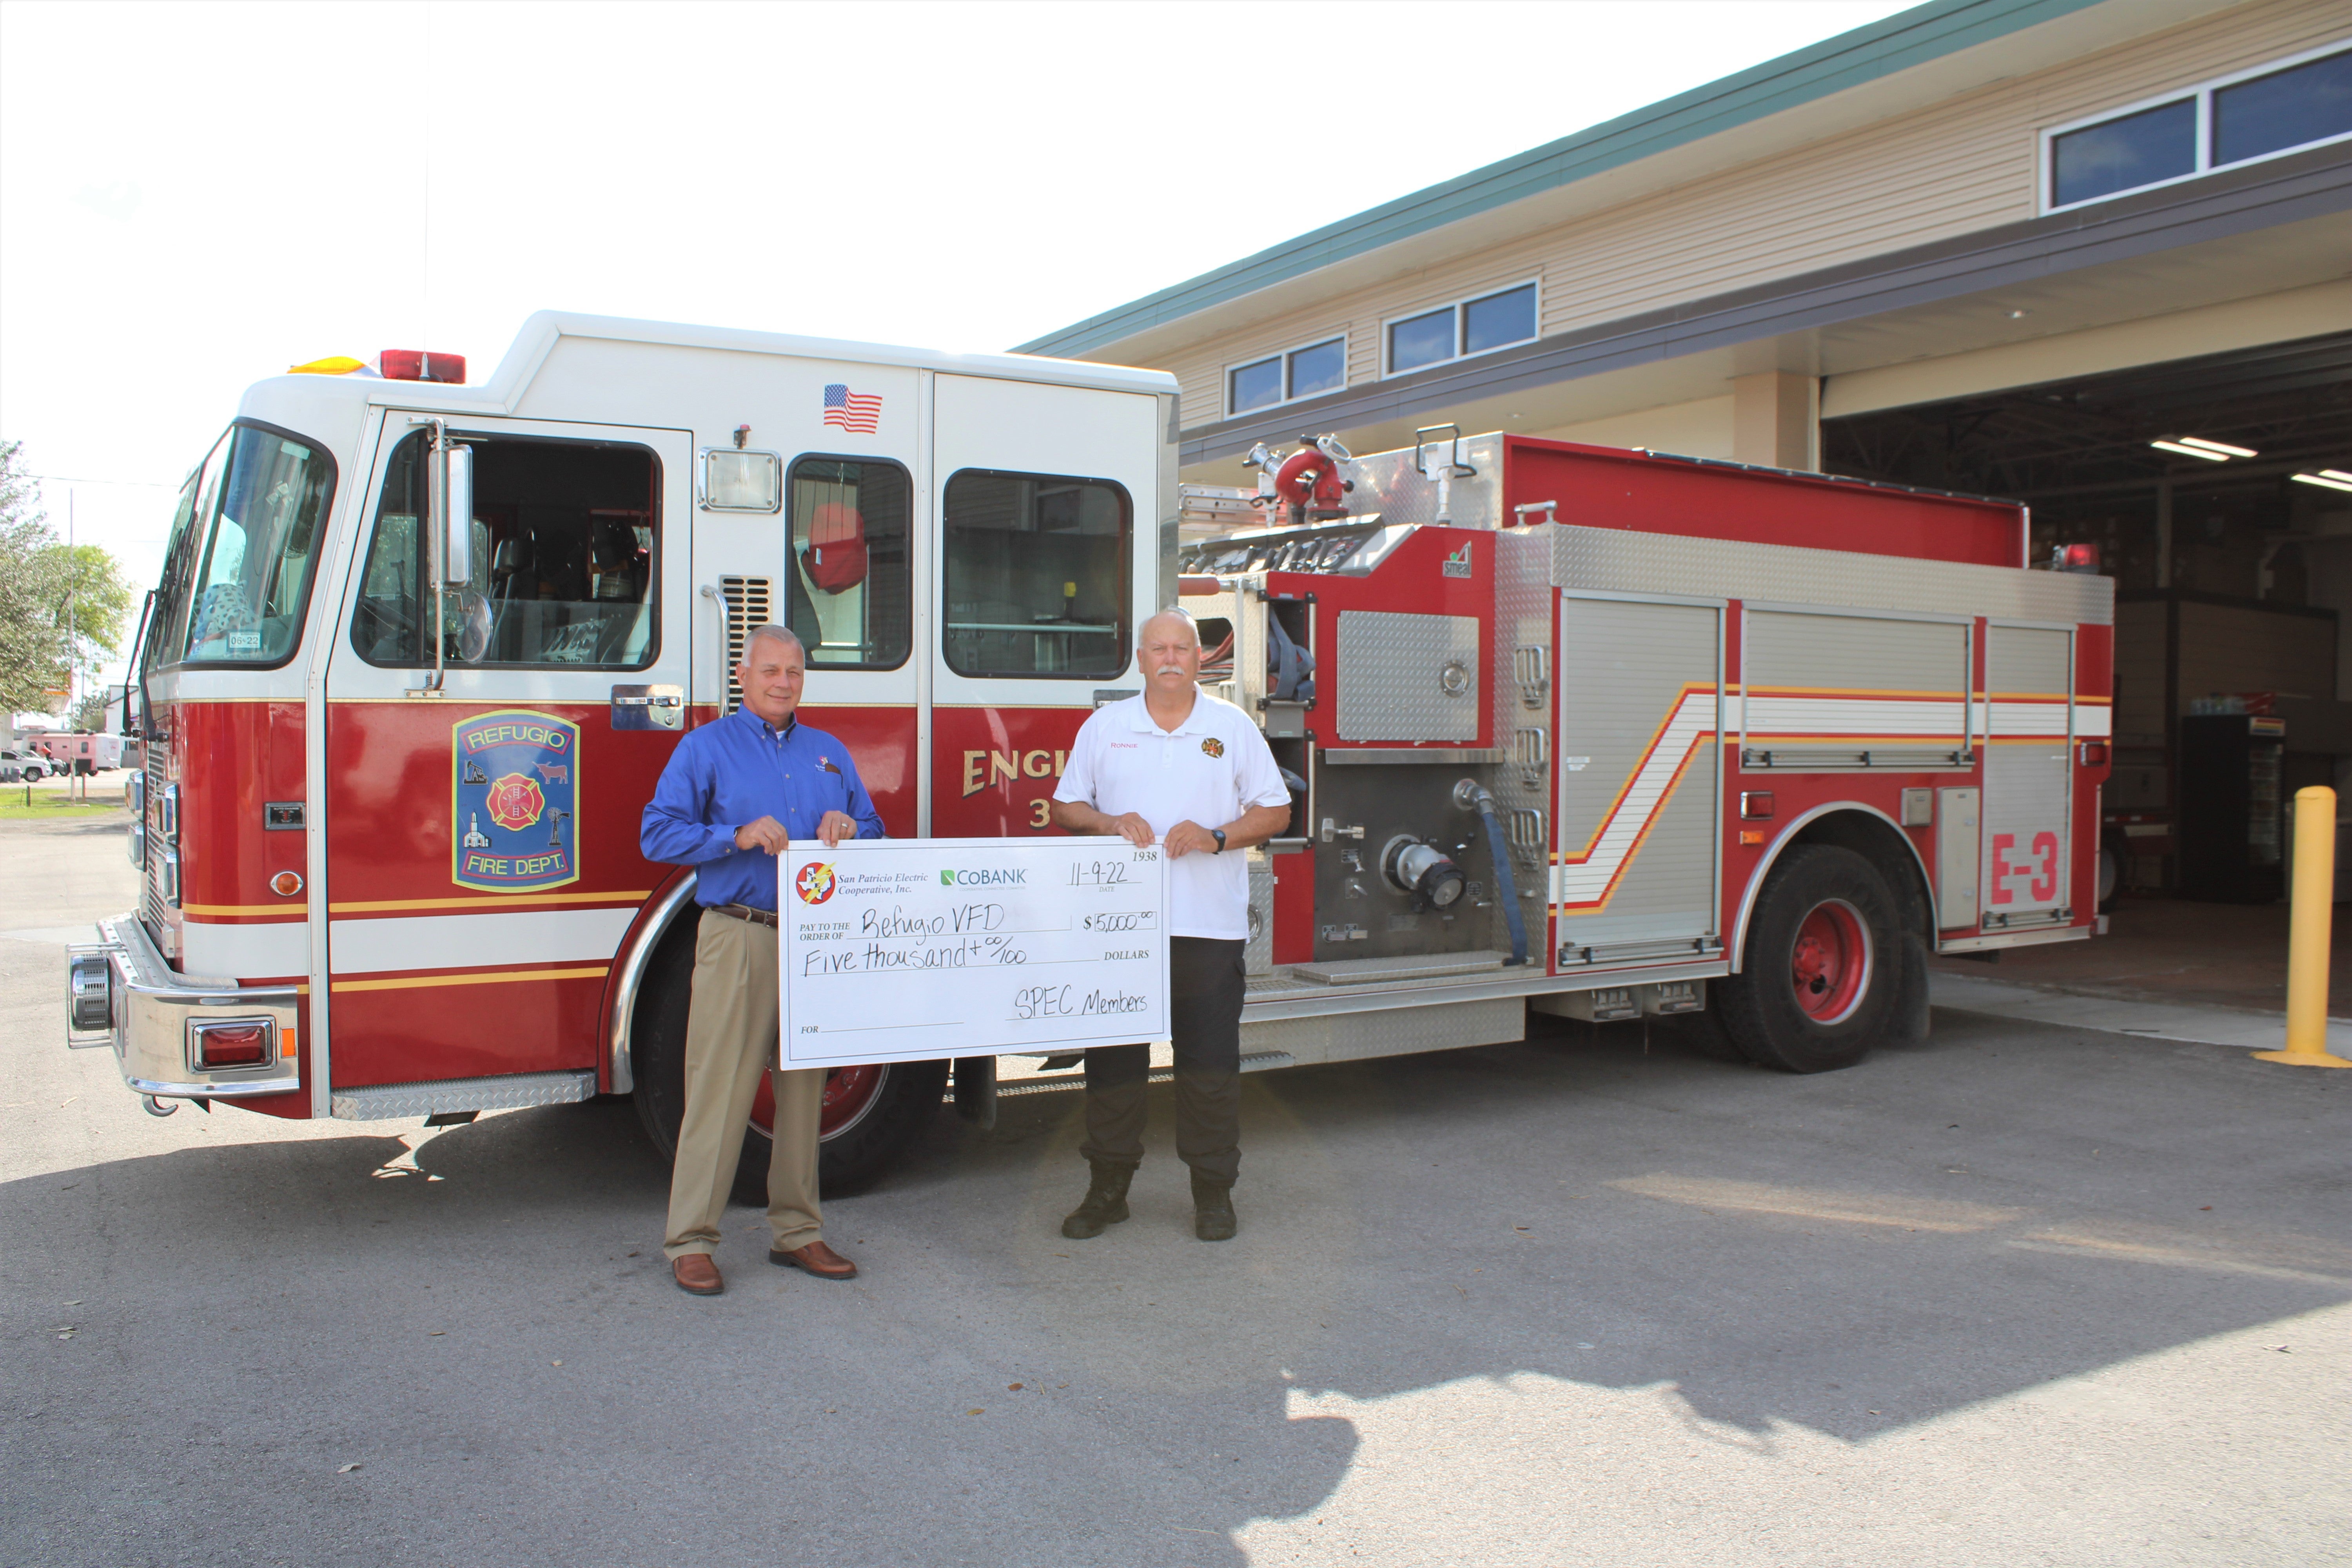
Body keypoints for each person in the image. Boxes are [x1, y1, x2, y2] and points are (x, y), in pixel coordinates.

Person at [640, 624, 886, 1296]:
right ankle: (691, 1240)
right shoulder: (705, 748)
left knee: (804, 1092)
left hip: (815, 941)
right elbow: (656, 833)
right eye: (770, 671)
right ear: (743, 678)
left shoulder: (829, 754)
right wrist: (735, 835)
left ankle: (798, 1233)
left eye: (795, 672)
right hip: (739, 933)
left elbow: (874, 828)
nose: (783, 682)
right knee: (719, 1091)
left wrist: (849, 829)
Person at [1049, 609, 1292, 1242]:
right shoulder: (1106, 727)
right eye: (1159, 647)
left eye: (1183, 647)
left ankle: (1213, 1194)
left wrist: (1217, 836)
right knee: (1113, 1067)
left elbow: (1276, 810)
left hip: (1207, 930)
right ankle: (1108, 1190)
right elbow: (1065, 805)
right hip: (1120, 932)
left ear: (1199, 658)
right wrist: (1107, 823)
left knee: (1208, 1068)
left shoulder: (1232, 728)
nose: (1171, 657)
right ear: (1140, 659)